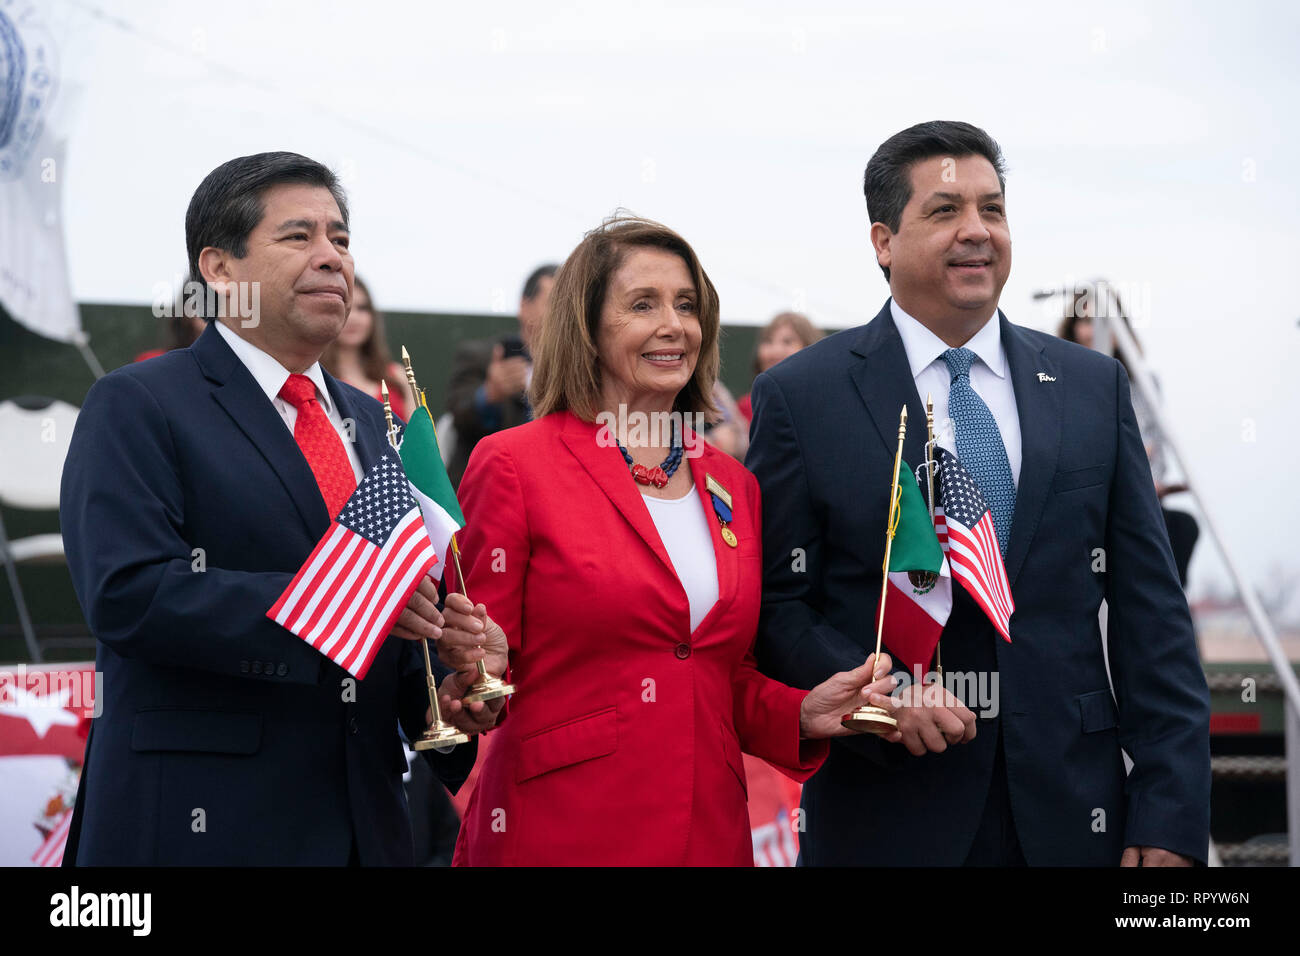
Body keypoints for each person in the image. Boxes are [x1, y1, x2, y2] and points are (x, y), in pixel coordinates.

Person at [747, 121, 1211, 866]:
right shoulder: (803, 397)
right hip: (886, 819)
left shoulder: (1092, 387)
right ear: (882, 241)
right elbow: (776, 606)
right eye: (944, 211)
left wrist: (1170, 818)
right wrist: (881, 695)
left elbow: (1151, 617)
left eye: (992, 210)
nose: (977, 232)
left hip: (1074, 818)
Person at [58, 152, 491, 866]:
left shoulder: (372, 422)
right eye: (299, 237)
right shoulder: (138, 402)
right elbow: (127, 594)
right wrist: (346, 604)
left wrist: (448, 695)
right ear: (220, 270)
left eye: (342, 240)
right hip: (204, 826)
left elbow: (389, 620)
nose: (332, 258)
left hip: (366, 826)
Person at [436, 216, 900, 865]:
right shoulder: (513, 463)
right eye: (643, 304)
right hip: (561, 831)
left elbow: (715, 674)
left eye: (687, 305)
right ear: (588, 326)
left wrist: (800, 712)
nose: (673, 325)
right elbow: (477, 667)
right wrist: (471, 677)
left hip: (708, 832)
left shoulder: (735, 483)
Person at [443, 264, 558, 487]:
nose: (563, 314)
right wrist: (489, 394)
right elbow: (458, 417)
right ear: (524, 306)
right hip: (487, 487)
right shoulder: (480, 357)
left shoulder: (580, 370)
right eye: (555, 303)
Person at [319, 275, 409, 420]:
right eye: (345, 306)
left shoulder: (397, 376)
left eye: (362, 308)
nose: (354, 318)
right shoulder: (315, 378)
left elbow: (420, 437)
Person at [736, 311, 824, 423]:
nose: (775, 351)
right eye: (768, 341)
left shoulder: (825, 405)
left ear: (810, 348)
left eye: (787, 342)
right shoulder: (746, 407)